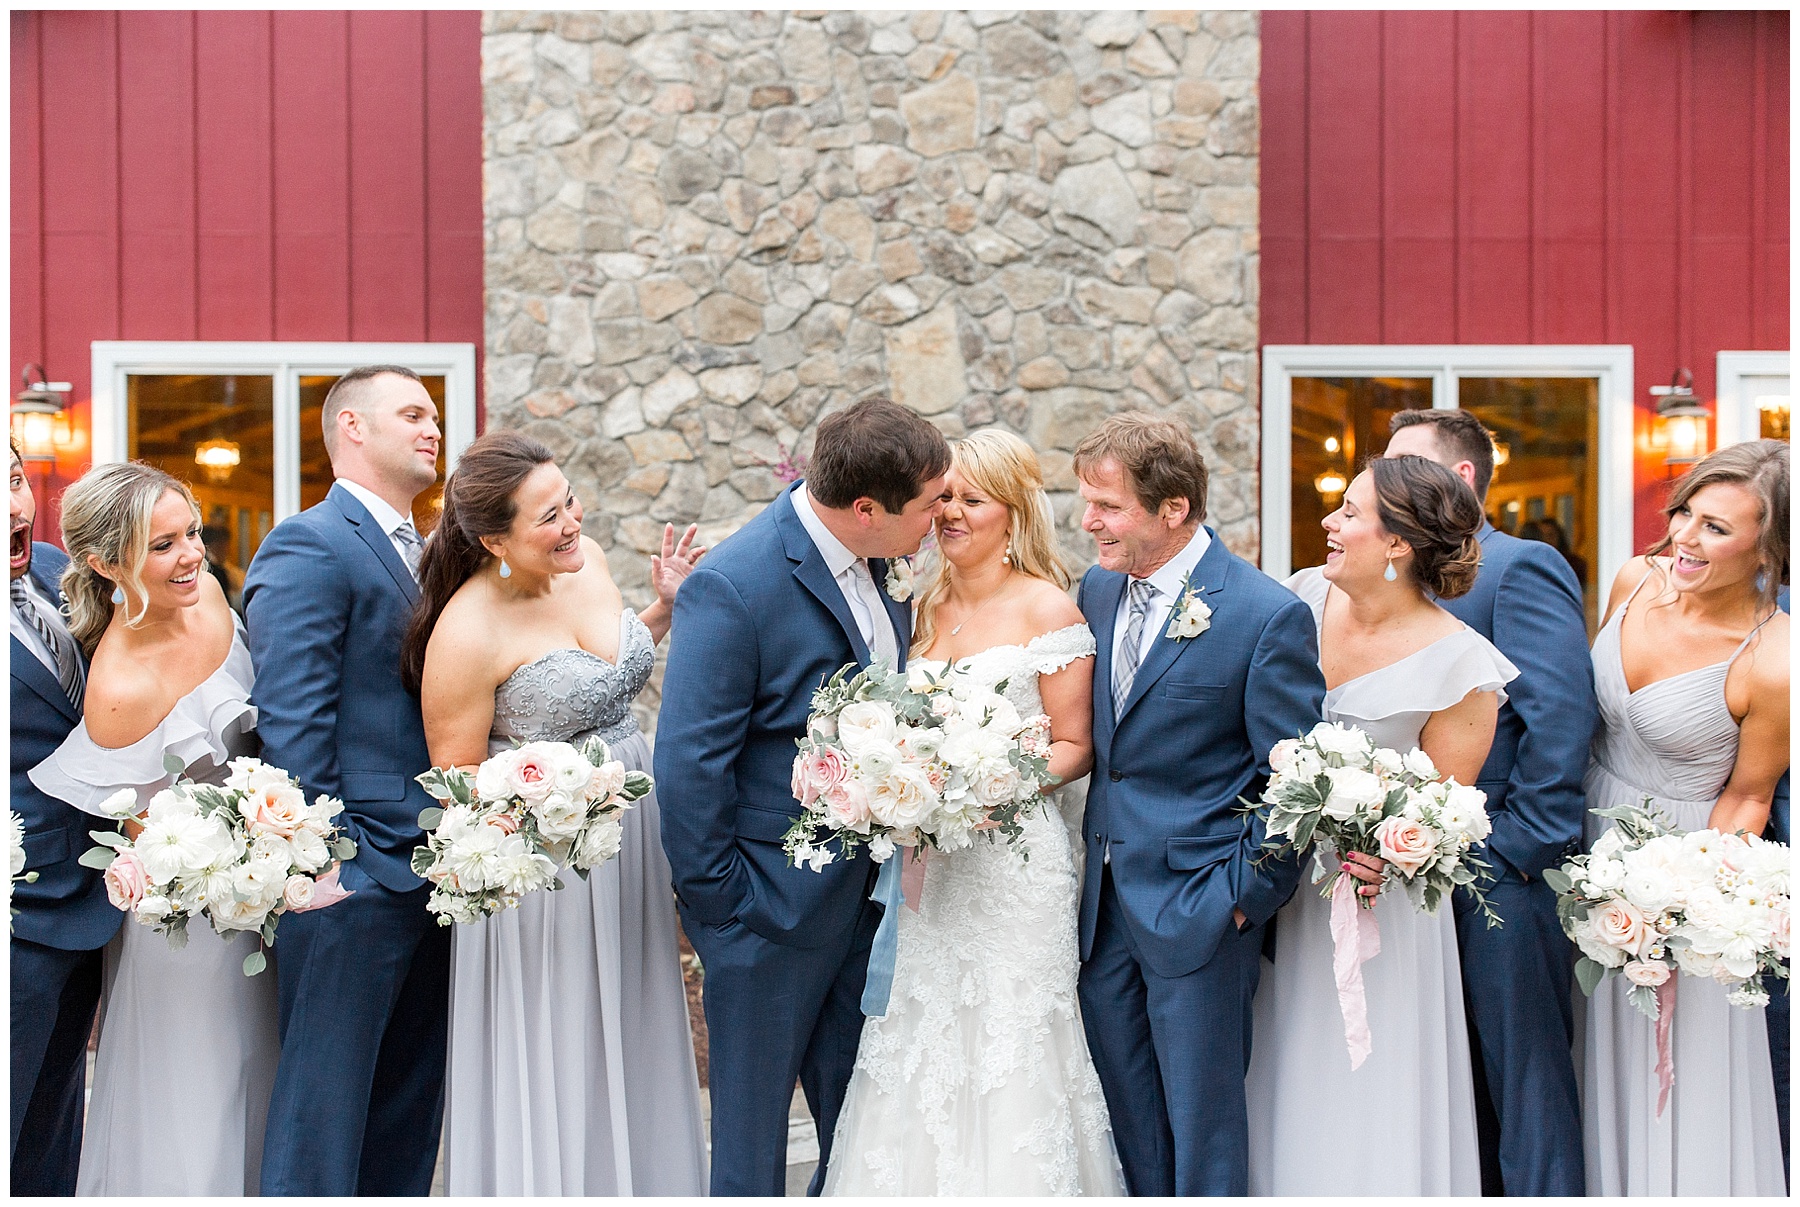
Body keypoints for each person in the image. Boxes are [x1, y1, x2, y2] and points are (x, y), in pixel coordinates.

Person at [400, 431, 708, 1195]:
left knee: (631, 1008)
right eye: (548, 517)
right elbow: (456, 780)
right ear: (496, 538)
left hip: (631, 832)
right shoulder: (466, 631)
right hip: (545, 864)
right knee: (565, 1028)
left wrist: (662, 609)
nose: (571, 521)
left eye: (568, 499)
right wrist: (550, 808)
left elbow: (601, 672)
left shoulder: (588, 558)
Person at [657, 397, 949, 1196]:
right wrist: (726, 907)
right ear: (866, 509)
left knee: (858, 1136)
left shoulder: (885, 567)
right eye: (928, 504)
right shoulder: (735, 582)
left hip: (868, 907)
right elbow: (688, 762)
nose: (939, 517)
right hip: (766, 916)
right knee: (751, 1148)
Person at [823, 430, 1124, 1195]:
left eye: (972, 498)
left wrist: (986, 785)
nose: (951, 512)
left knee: (1011, 1037)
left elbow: (1074, 744)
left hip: (1013, 869)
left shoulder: (1049, 607)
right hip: (932, 867)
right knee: (920, 1032)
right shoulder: (916, 603)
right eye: (945, 497)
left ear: (1013, 510)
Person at [1071, 412, 1331, 1196]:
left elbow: (1295, 781)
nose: (1089, 522)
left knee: (1205, 1123)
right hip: (1103, 905)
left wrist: (1241, 900)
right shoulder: (1094, 589)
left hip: (1201, 907)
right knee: (1132, 1120)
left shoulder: (1263, 613)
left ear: (1174, 507)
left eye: (1107, 507)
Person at [1247, 455, 1514, 1194]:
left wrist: (1390, 856)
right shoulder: (1295, 598)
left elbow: (1444, 814)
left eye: (1349, 512)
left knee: (1370, 1072)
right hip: (1280, 887)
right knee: (1283, 1056)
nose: (1329, 523)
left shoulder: (1462, 665)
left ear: (1397, 544)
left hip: (1379, 907)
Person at [27, 462, 276, 1193]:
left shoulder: (214, 604)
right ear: (106, 563)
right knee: (194, 1101)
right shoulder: (119, 687)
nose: (192, 554)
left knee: (257, 1083)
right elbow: (143, 841)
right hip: (186, 929)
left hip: (261, 907)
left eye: (191, 532)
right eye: (162, 545)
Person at [243, 366, 449, 1196]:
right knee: (321, 1122)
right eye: (412, 413)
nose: (432, 426)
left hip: (437, 873)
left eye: (434, 413)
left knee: (405, 1114)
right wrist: (331, 865)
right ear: (353, 428)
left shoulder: (430, 554)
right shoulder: (308, 542)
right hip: (352, 883)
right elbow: (290, 721)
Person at [1385, 408, 1593, 1194]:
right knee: (1452, 1087)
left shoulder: (1521, 567)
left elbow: (1561, 717)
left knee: (1525, 1082)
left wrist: (1512, 851)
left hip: (1502, 875)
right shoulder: (1394, 581)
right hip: (1416, 876)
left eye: (1402, 465)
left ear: (1461, 476)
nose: (1381, 483)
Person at [1581, 439, 1788, 1196]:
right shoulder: (1636, 579)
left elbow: (1750, 794)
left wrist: (1687, 899)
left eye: (1715, 528)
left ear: (1769, 546)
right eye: (1685, 515)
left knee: (1673, 1055)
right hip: (1586, 836)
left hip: (1683, 863)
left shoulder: (1776, 656)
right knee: (1586, 1042)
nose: (1684, 541)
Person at [9, 441, 121, 1195]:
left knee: (53, 1131)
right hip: (17, 917)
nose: (14, 506)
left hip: (87, 903)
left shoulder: (55, 569)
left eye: (14, 481)